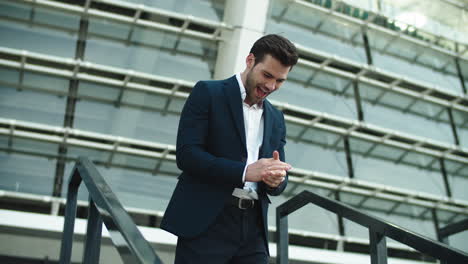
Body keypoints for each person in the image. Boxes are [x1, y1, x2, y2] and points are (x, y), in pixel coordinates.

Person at [161, 34, 298, 264]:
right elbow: (187, 155)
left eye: (280, 80)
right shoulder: (208, 93)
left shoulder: (276, 118)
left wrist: (276, 180)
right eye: (267, 75)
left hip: (253, 228)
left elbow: (279, 177)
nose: (271, 86)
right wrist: (244, 172)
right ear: (250, 60)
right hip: (206, 222)